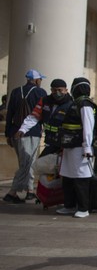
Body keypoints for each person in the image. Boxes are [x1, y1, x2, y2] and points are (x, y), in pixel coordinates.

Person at [3, 69, 47, 203]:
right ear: (36, 80)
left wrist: (8, 133)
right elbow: (43, 113)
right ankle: (12, 192)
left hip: (16, 132)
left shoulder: (16, 91)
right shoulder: (40, 92)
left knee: (25, 162)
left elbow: (9, 113)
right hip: (32, 132)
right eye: (40, 79)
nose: (41, 81)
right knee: (28, 163)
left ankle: (29, 190)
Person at [15, 78, 74, 178]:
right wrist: (23, 129)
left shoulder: (71, 104)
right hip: (50, 141)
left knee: (63, 171)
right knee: (42, 166)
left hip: (64, 143)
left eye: (60, 90)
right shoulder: (45, 101)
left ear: (66, 90)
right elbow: (34, 117)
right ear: (51, 90)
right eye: (54, 90)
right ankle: (45, 192)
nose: (57, 93)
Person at [56, 77, 95, 219]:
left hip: (80, 148)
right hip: (69, 146)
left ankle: (84, 208)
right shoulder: (75, 103)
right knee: (67, 176)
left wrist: (87, 147)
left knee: (81, 178)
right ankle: (69, 205)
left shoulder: (85, 104)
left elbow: (88, 127)